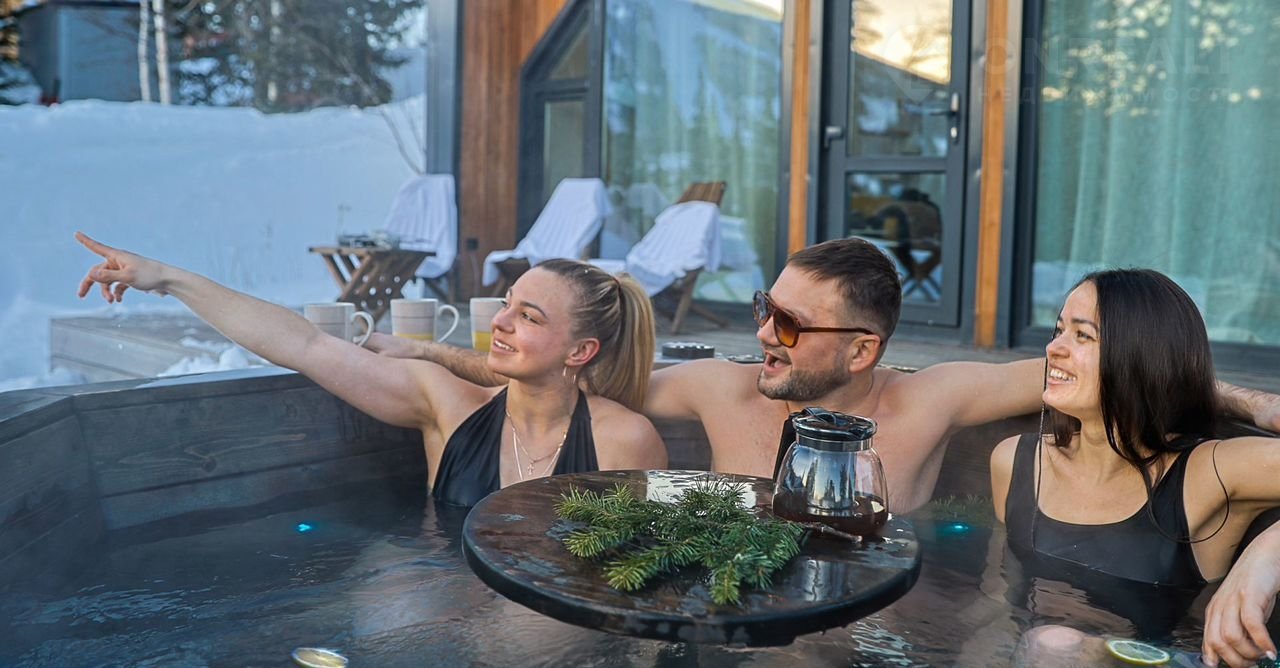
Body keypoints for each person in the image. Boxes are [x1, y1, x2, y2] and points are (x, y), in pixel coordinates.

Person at [369, 237, 1280, 515]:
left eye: (790, 324)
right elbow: (570, 374)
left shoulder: (931, 401)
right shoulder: (718, 387)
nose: (762, 333)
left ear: (862, 351)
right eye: (764, 306)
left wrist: (1242, 402)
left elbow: (1096, 369)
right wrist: (438, 355)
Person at [74, 233, 666, 507]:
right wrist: (167, 277)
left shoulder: (625, 439)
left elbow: (657, 567)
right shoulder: (448, 406)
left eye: (528, 316)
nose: (501, 322)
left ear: (579, 351)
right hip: (442, 606)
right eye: (507, 303)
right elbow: (303, 344)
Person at [990, 268, 1280, 667]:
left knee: (1054, 643)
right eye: (1058, 330)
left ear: (1141, 356)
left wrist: (1267, 554)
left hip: (1167, 657)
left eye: (1083, 335)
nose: (1053, 348)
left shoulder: (1206, 473)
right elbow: (996, 606)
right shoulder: (1015, 461)